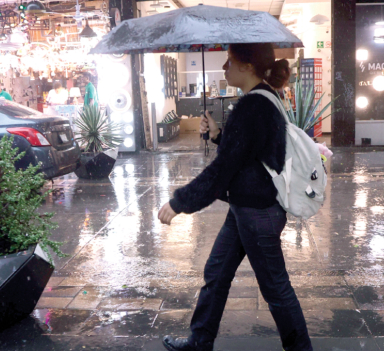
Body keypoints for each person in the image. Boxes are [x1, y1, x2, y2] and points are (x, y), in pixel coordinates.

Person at [158, 43, 312, 351]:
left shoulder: (253, 106)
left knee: (276, 290)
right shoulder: (264, 98)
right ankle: (200, 341)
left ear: (248, 67)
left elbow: (223, 169)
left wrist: (180, 202)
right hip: (247, 207)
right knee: (216, 273)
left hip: (258, 213)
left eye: (229, 62)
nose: (225, 68)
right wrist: (217, 135)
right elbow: (248, 154)